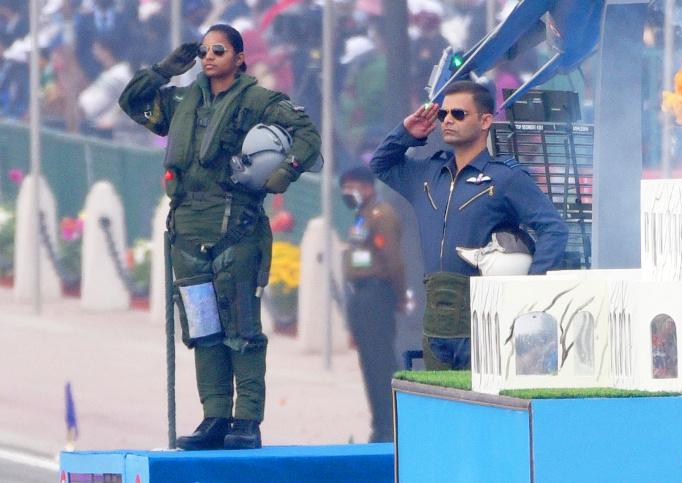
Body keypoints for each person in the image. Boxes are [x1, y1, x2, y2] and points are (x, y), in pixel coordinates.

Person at [119, 24, 321, 450]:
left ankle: (246, 420)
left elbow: (306, 134)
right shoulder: (181, 100)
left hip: (237, 229)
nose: (209, 57)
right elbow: (131, 101)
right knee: (203, 330)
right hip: (187, 232)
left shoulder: (257, 101)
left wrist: (284, 174)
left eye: (219, 50)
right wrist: (162, 70)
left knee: (241, 330)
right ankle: (215, 417)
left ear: (239, 57)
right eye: (205, 50)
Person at [370, 80, 568, 370]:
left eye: (459, 114)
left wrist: (529, 287)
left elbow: (554, 229)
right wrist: (406, 134)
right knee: (439, 407)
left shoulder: (505, 178)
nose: (448, 120)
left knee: (481, 405)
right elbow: (381, 164)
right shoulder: (428, 173)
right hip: (436, 320)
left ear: (486, 120)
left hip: (484, 317)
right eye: (443, 115)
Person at [340, 166, 405, 443]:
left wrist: (400, 296)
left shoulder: (381, 215)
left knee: (381, 365)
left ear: (367, 186)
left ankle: (389, 428)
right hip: (361, 296)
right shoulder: (361, 217)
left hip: (377, 295)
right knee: (369, 365)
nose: (346, 193)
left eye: (351, 187)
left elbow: (393, 261)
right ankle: (379, 426)